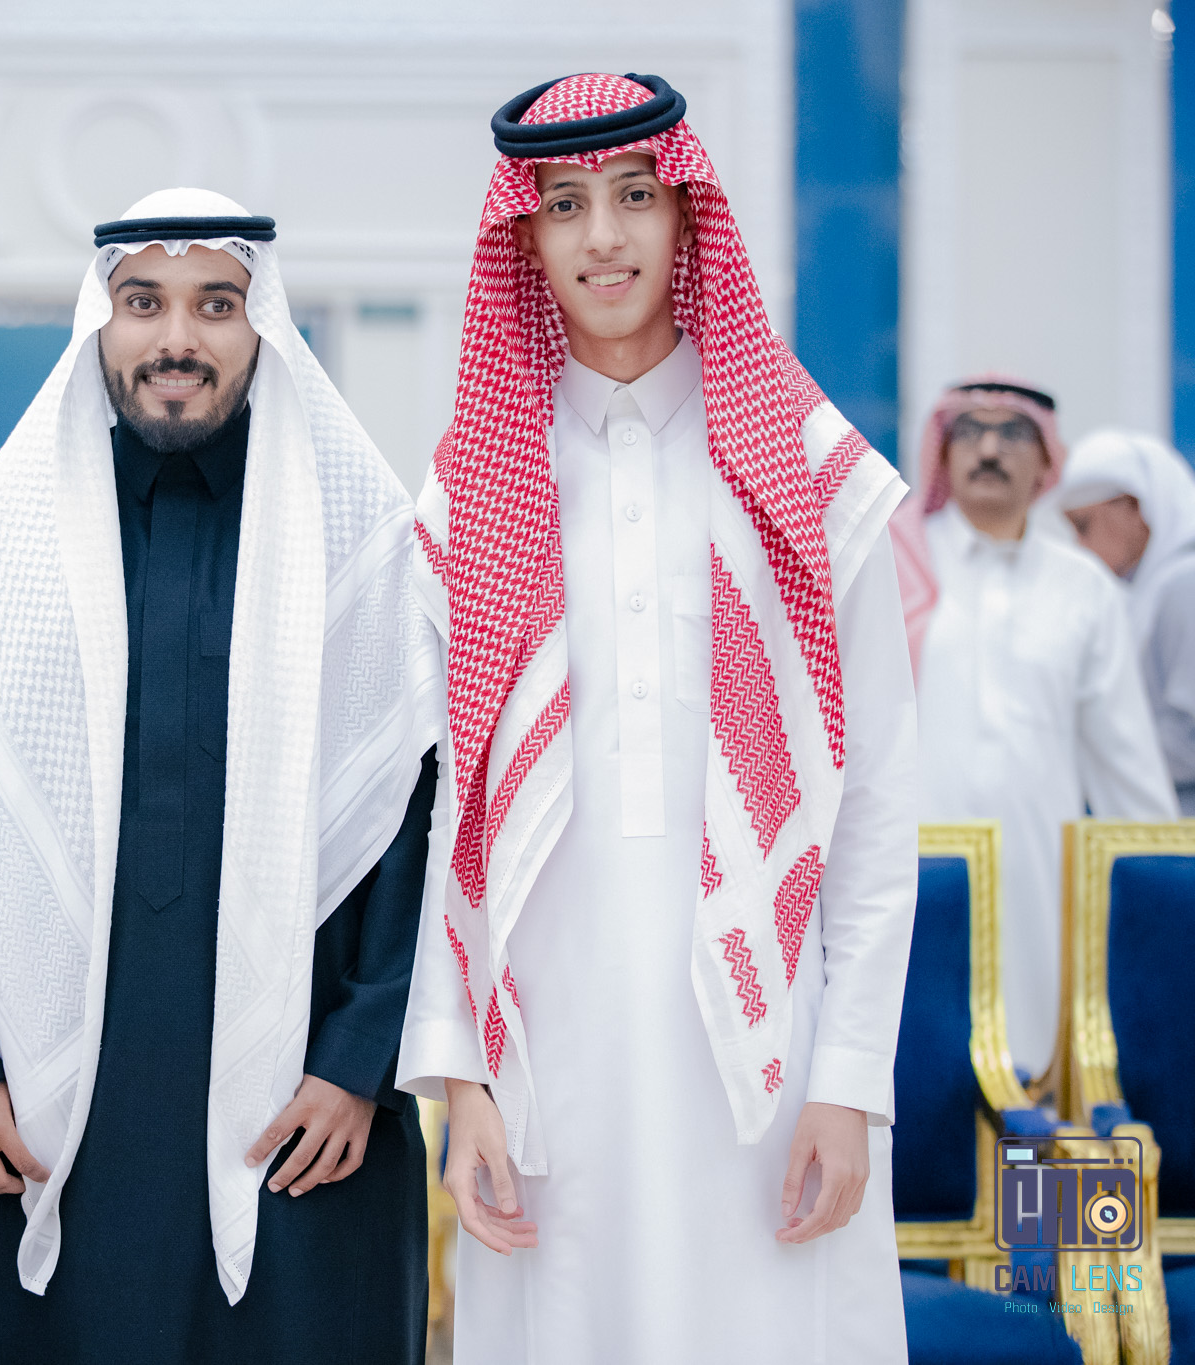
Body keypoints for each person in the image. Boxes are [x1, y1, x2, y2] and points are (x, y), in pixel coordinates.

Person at [398, 74, 919, 1362]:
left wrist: (849, 1081)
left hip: (766, 1066)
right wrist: (460, 1080)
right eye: (563, 205)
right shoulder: (469, 500)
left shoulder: (811, 480)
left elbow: (873, 809)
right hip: (548, 1067)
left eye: (634, 195)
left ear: (686, 215)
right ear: (523, 238)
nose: (602, 237)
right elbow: (446, 822)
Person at [0, 189, 442, 1363]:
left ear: (263, 325)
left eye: (215, 305)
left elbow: (416, 813)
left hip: (302, 1103)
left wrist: (356, 1063)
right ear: (100, 323)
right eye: (142, 303)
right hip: (45, 1104)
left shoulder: (360, 547)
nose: (175, 337)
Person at [893, 381, 1175, 1076]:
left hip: (1041, 879)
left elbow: (1126, 764)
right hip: (907, 874)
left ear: (1047, 459)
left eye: (1013, 433)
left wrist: (1166, 895)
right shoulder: (893, 567)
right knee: (913, 1075)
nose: (989, 449)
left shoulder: (1084, 586)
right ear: (942, 452)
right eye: (969, 431)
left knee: (1037, 1073)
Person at [1060, 429, 1195, 812]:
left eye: (1083, 525)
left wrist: (1084, 756)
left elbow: (1189, 738)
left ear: (1135, 506)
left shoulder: (1184, 584)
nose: (1079, 546)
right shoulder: (1149, 591)